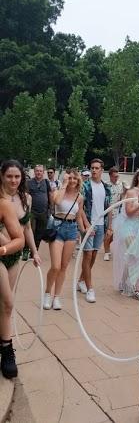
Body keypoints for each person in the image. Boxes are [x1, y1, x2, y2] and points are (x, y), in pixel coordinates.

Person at [0, 160, 39, 380]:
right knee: (7, 302)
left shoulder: (26, 198)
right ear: (2, 177)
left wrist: (34, 252)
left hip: (13, 256)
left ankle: (4, 348)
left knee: (5, 306)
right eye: (9, 176)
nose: (14, 180)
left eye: (17, 176)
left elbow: (26, 229)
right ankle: (7, 349)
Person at [44, 167, 88, 311]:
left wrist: (85, 230)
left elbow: (79, 215)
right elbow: (56, 201)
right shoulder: (58, 192)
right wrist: (63, 184)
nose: (73, 181)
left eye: (75, 178)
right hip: (57, 227)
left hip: (71, 230)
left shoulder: (79, 197)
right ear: (66, 179)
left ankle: (57, 297)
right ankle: (47, 293)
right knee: (55, 266)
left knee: (63, 266)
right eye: (71, 178)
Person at [78, 157, 112, 304]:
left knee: (93, 256)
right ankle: (90, 288)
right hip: (88, 224)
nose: (94, 170)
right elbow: (80, 208)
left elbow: (109, 208)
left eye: (97, 168)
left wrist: (109, 226)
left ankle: (81, 280)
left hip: (101, 225)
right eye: (92, 168)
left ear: (101, 170)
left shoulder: (106, 188)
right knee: (87, 255)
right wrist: (86, 225)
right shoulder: (85, 186)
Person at [113, 168, 139, 299]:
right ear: (138, 178)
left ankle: (129, 283)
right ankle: (132, 286)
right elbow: (128, 211)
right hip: (128, 227)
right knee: (132, 254)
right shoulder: (130, 192)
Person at [102, 165, 127, 261]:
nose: (116, 178)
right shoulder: (106, 185)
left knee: (116, 234)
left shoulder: (120, 184)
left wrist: (125, 192)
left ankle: (109, 248)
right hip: (109, 211)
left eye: (117, 176)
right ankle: (106, 252)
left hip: (119, 211)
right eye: (114, 176)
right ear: (110, 176)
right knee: (109, 233)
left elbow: (122, 198)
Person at [26, 163, 52, 246]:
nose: (39, 172)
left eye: (40, 171)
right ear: (34, 171)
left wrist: (51, 208)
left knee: (40, 231)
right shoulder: (29, 182)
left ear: (43, 172)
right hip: (32, 211)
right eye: (37, 171)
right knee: (31, 230)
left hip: (44, 212)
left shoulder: (46, 182)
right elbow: (26, 196)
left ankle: (36, 249)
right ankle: (28, 248)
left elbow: (50, 194)